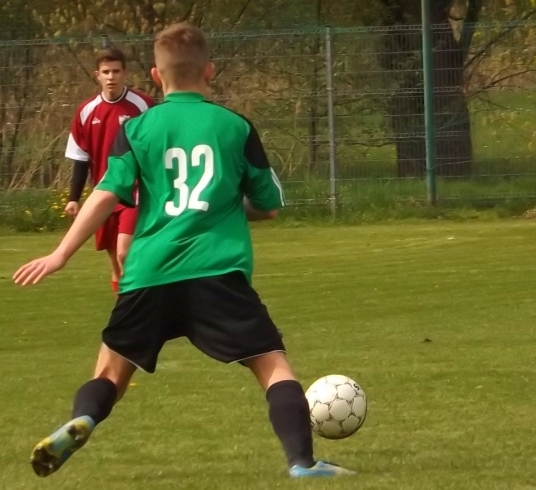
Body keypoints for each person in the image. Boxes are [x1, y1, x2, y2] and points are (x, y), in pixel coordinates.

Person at [13, 22, 354, 479]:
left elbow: (105, 193)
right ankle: (302, 462)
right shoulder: (235, 126)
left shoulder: (136, 128)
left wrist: (60, 254)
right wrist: (228, 205)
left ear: (155, 76)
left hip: (149, 271)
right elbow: (269, 206)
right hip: (217, 272)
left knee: (111, 374)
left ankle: (84, 418)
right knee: (273, 367)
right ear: (209, 71)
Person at [65, 47, 154, 294]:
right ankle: (126, 316)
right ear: (97, 75)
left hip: (134, 194)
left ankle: (139, 309)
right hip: (103, 195)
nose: (111, 76)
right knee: (115, 264)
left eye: (116, 71)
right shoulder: (86, 110)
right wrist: (73, 198)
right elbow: (81, 158)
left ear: (125, 73)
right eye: (106, 72)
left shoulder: (143, 105)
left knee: (126, 252)